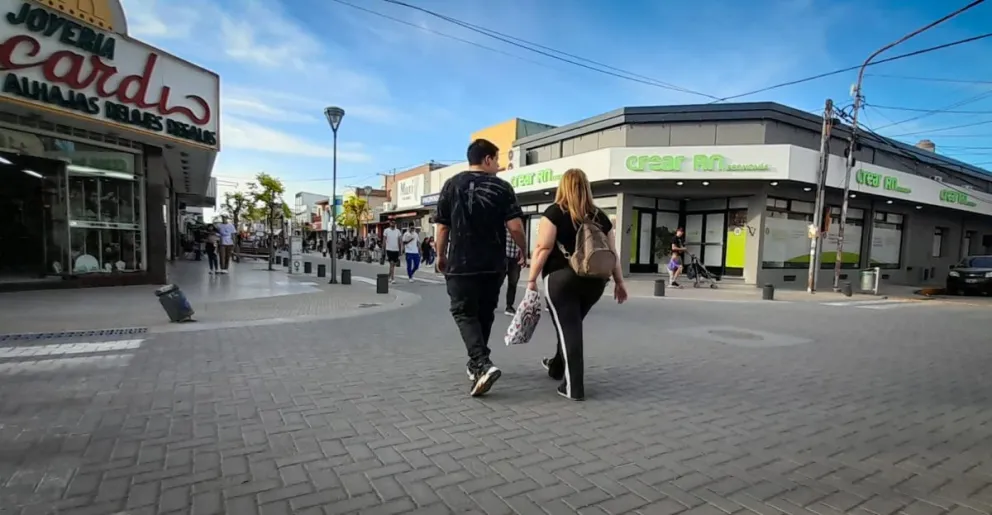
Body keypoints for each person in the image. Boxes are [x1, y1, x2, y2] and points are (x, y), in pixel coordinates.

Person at [436, 138, 527, 397]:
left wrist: (440, 255)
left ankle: (482, 363)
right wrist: (523, 249)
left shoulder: (451, 185)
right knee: (485, 313)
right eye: (497, 160)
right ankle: (478, 364)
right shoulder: (502, 187)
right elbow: (515, 226)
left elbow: (442, 227)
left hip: (461, 263)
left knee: (464, 312)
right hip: (493, 264)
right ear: (487, 159)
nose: (498, 165)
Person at [526, 168, 627, 401]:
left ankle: (573, 387)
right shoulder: (601, 217)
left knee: (569, 328)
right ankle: (556, 366)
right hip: (595, 282)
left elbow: (542, 248)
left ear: (563, 186)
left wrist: (531, 279)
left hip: (561, 279)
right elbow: (612, 253)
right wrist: (619, 282)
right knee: (569, 324)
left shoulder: (554, 212)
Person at [503, 227, 523, 316]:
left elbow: (522, 240)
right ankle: (488, 303)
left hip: (515, 257)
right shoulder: (503, 223)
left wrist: (523, 255)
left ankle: (509, 306)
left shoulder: (520, 225)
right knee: (496, 282)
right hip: (504, 256)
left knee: (513, 283)